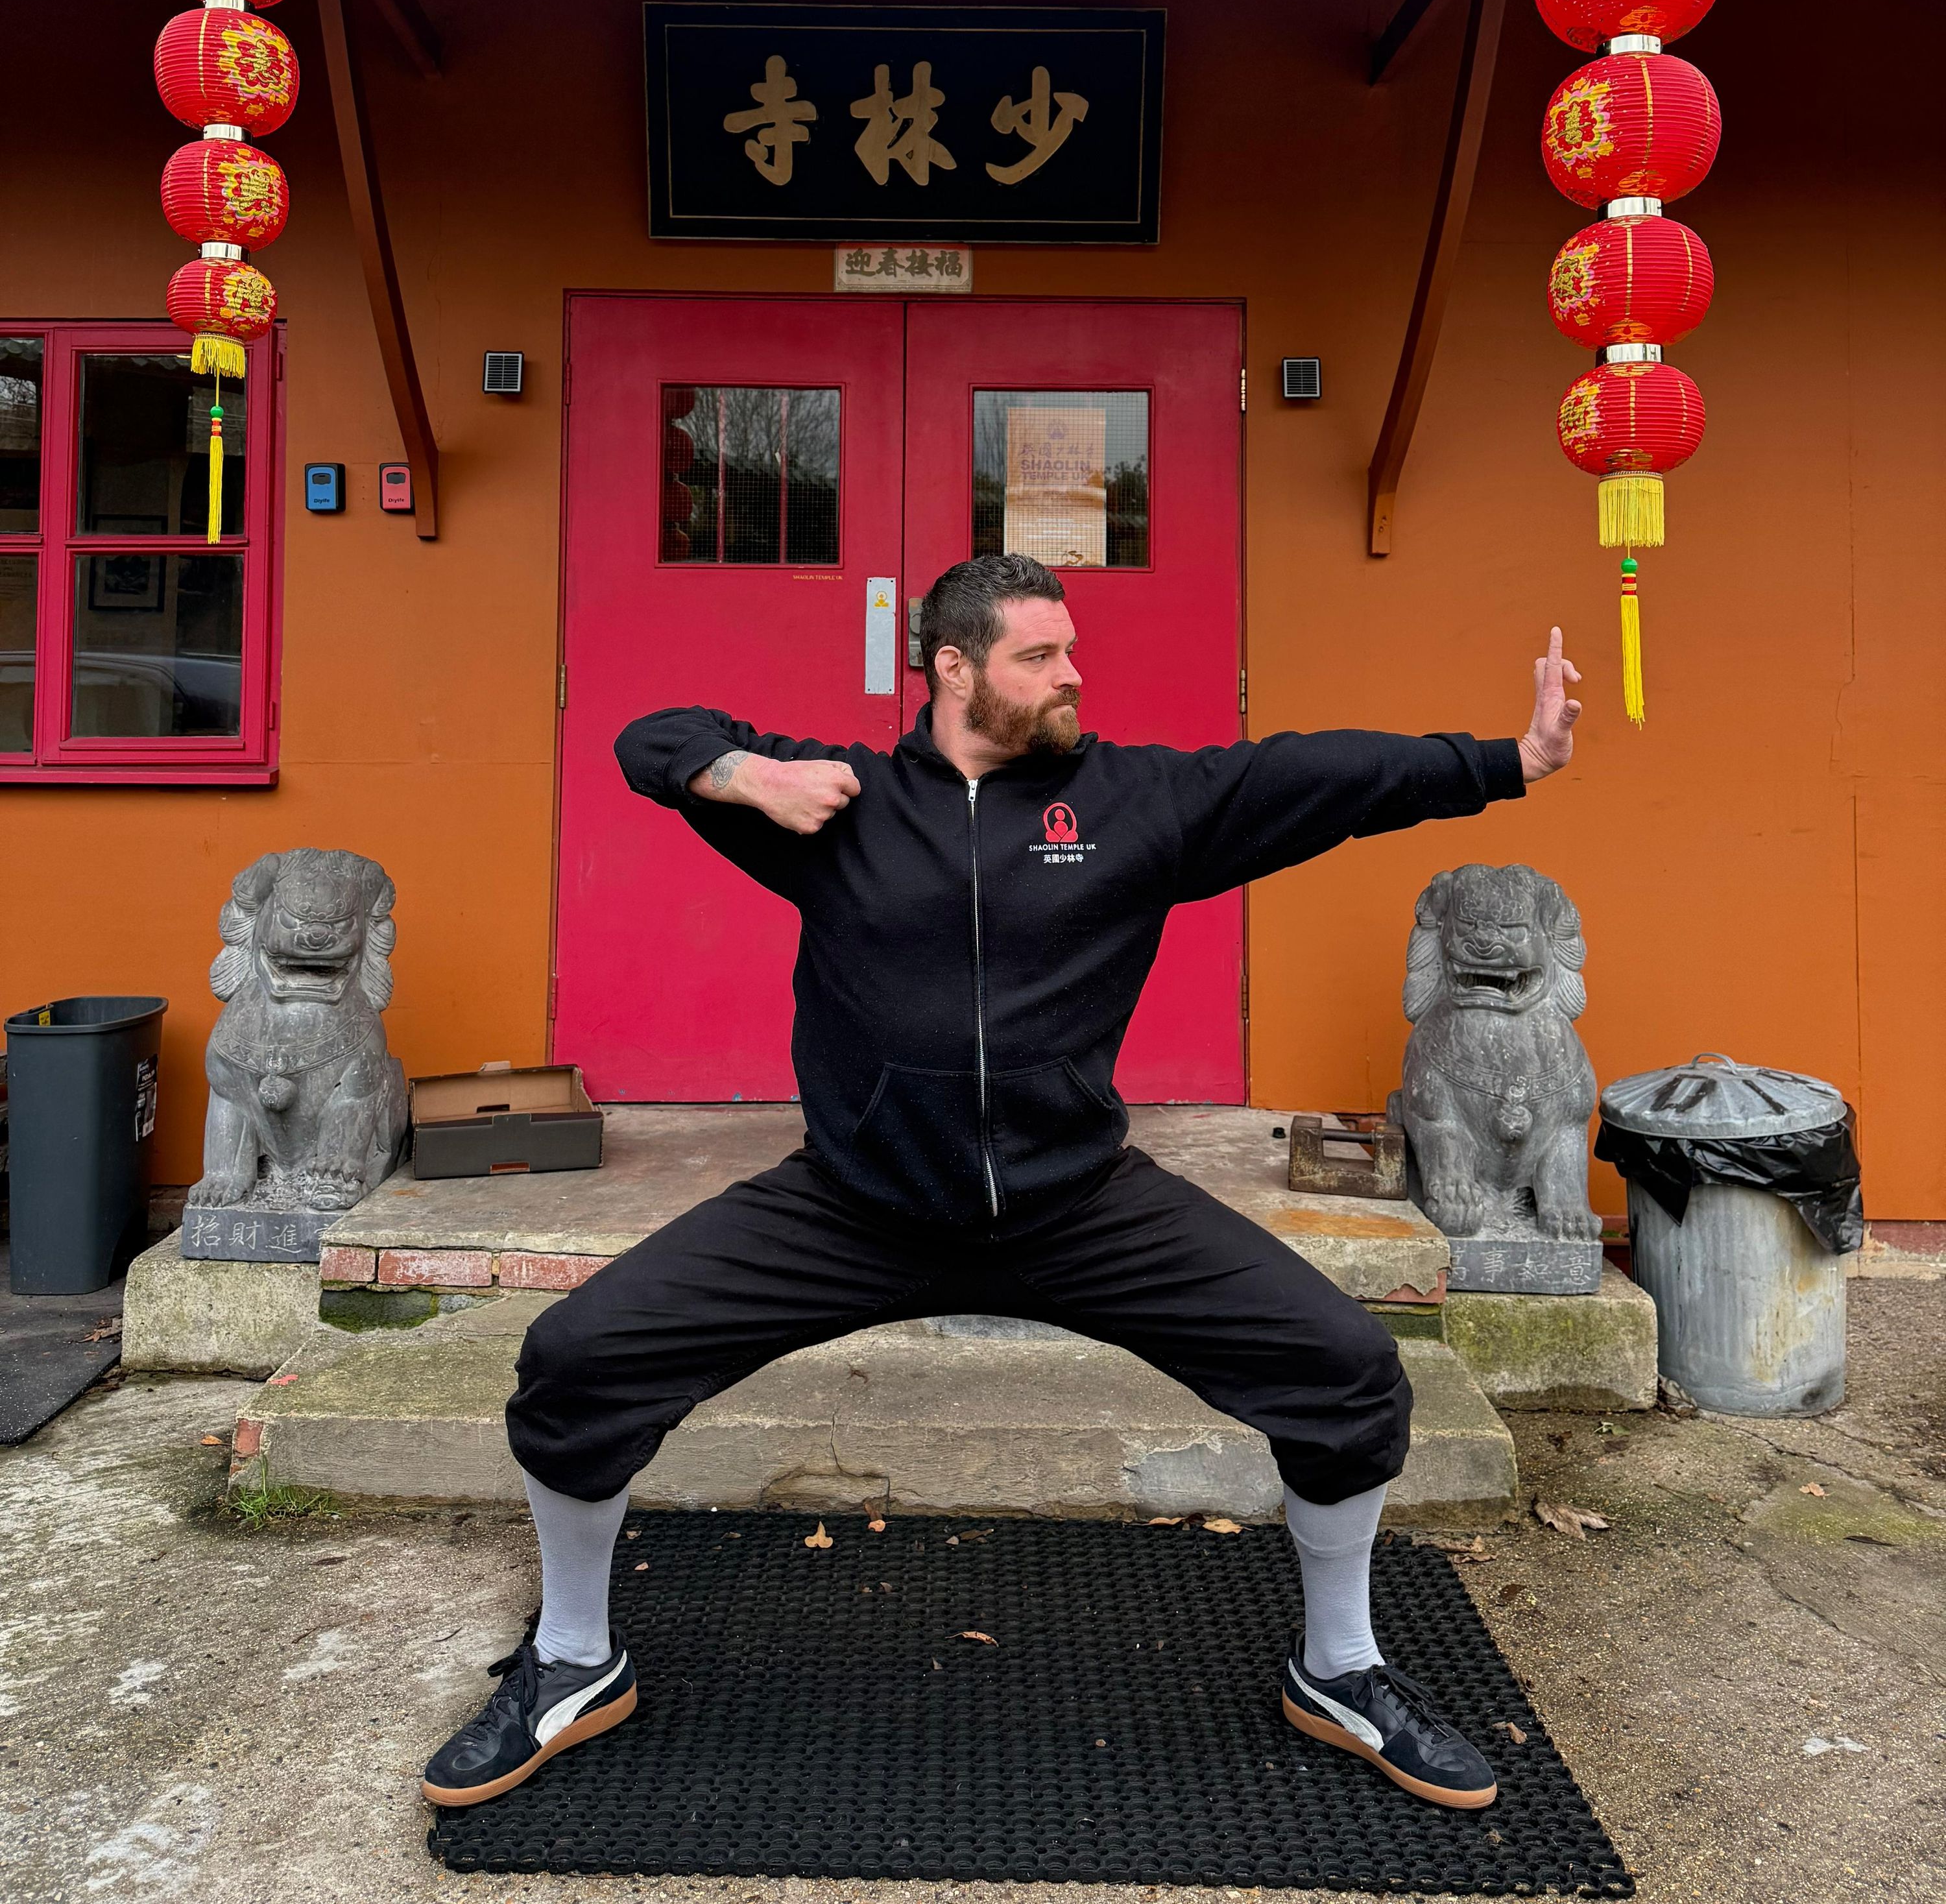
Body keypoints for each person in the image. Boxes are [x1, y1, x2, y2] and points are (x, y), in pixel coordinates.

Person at [422, 553, 1581, 1814]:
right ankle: (576, 1659)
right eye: (1041, 654)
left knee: (1349, 1371)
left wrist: (1506, 759)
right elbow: (652, 736)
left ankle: (1340, 1664)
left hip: (1077, 1204)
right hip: (853, 1205)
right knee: (580, 1356)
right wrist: (745, 773)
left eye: (1073, 649)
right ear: (953, 667)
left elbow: (1317, 773)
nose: (1073, 672)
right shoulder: (842, 803)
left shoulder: (1135, 800)